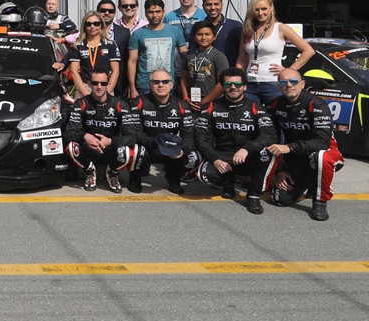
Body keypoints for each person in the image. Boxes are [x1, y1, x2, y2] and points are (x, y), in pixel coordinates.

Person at [265, 69, 345, 222]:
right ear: (279, 86)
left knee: (320, 157)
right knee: (280, 199)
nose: (289, 85)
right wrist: (279, 170)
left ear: (302, 84)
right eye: (283, 82)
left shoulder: (317, 105)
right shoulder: (274, 104)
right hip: (296, 155)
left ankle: (320, 201)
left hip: (325, 151)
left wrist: (289, 148)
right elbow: (270, 138)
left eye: (293, 81)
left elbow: (322, 142)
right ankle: (311, 178)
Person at [194, 69, 276, 214]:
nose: (233, 87)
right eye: (228, 84)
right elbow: (200, 137)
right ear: (222, 87)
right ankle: (228, 183)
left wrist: (247, 148)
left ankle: (253, 195)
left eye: (237, 84)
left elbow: (269, 135)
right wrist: (215, 159)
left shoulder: (256, 107)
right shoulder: (211, 107)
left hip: (248, 155)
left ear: (245, 86)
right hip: (222, 156)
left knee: (267, 152)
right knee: (204, 174)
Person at [64, 69, 143, 193]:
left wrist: (111, 141)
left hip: (111, 149)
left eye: (103, 83)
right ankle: (89, 171)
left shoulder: (121, 105)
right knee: (71, 146)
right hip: (89, 148)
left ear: (108, 84)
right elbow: (69, 133)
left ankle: (113, 173)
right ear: (89, 84)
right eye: (95, 83)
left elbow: (131, 136)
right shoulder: (80, 103)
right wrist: (85, 136)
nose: (99, 86)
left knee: (137, 149)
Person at [129, 69, 199, 194]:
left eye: (165, 82)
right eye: (156, 82)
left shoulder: (182, 106)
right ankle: (135, 177)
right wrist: (156, 143)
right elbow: (135, 132)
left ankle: (173, 178)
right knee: (130, 150)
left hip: (171, 149)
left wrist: (183, 150)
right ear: (150, 84)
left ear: (171, 85)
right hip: (148, 147)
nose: (161, 85)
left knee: (193, 157)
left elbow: (188, 135)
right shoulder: (138, 103)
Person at [236, 0, 313, 106]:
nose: (260, 13)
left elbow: (309, 51)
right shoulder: (247, 30)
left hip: (273, 82)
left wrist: (289, 71)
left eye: (264, 9)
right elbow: (242, 59)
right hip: (250, 83)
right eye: (256, 9)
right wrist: (238, 79)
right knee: (249, 115)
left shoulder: (280, 28)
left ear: (271, 7)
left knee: (277, 114)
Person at [127, 0, 189, 99]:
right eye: (150, 12)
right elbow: (132, 61)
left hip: (169, 84)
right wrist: (132, 88)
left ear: (163, 12)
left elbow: (185, 58)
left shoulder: (175, 31)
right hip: (144, 85)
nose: (154, 15)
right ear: (145, 13)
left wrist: (184, 84)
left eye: (158, 11)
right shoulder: (137, 34)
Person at [64, 11, 121, 98]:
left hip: (104, 87)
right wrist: (86, 94)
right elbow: (74, 72)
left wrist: (107, 92)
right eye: (88, 24)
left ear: (101, 25)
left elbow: (115, 71)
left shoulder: (110, 44)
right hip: (84, 86)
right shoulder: (78, 45)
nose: (92, 26)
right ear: (84, 26)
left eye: (96, 23)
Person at [183, 20, 229, 110]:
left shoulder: (218, 56)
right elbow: (184, 78)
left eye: (207, 34)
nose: (203, 37)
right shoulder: (189, 55)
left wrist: (204, 102)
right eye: (199, 34)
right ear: (194, 37)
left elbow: (222, 83)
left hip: (212, 102)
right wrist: (186, 97)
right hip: (191, 101)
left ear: (214, 37)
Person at [193, 0, 243, 68]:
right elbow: (193, 52)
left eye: (216, 4)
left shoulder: (235, 26)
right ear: (203, 6)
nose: (213, 7)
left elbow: (243, 54)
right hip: (205, 72)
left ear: (222, 6)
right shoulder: (198, 27)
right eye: (208, 4)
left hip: (229, 71)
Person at [97, 0, 131, 95]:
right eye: (103, 10)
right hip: (97, 81)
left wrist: (131, 84)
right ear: (97, 12)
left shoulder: (124, 32)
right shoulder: (91, 31)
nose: (107, 13)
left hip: (120, 84)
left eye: (110, 11)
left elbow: (129, 58)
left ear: (115, 13)